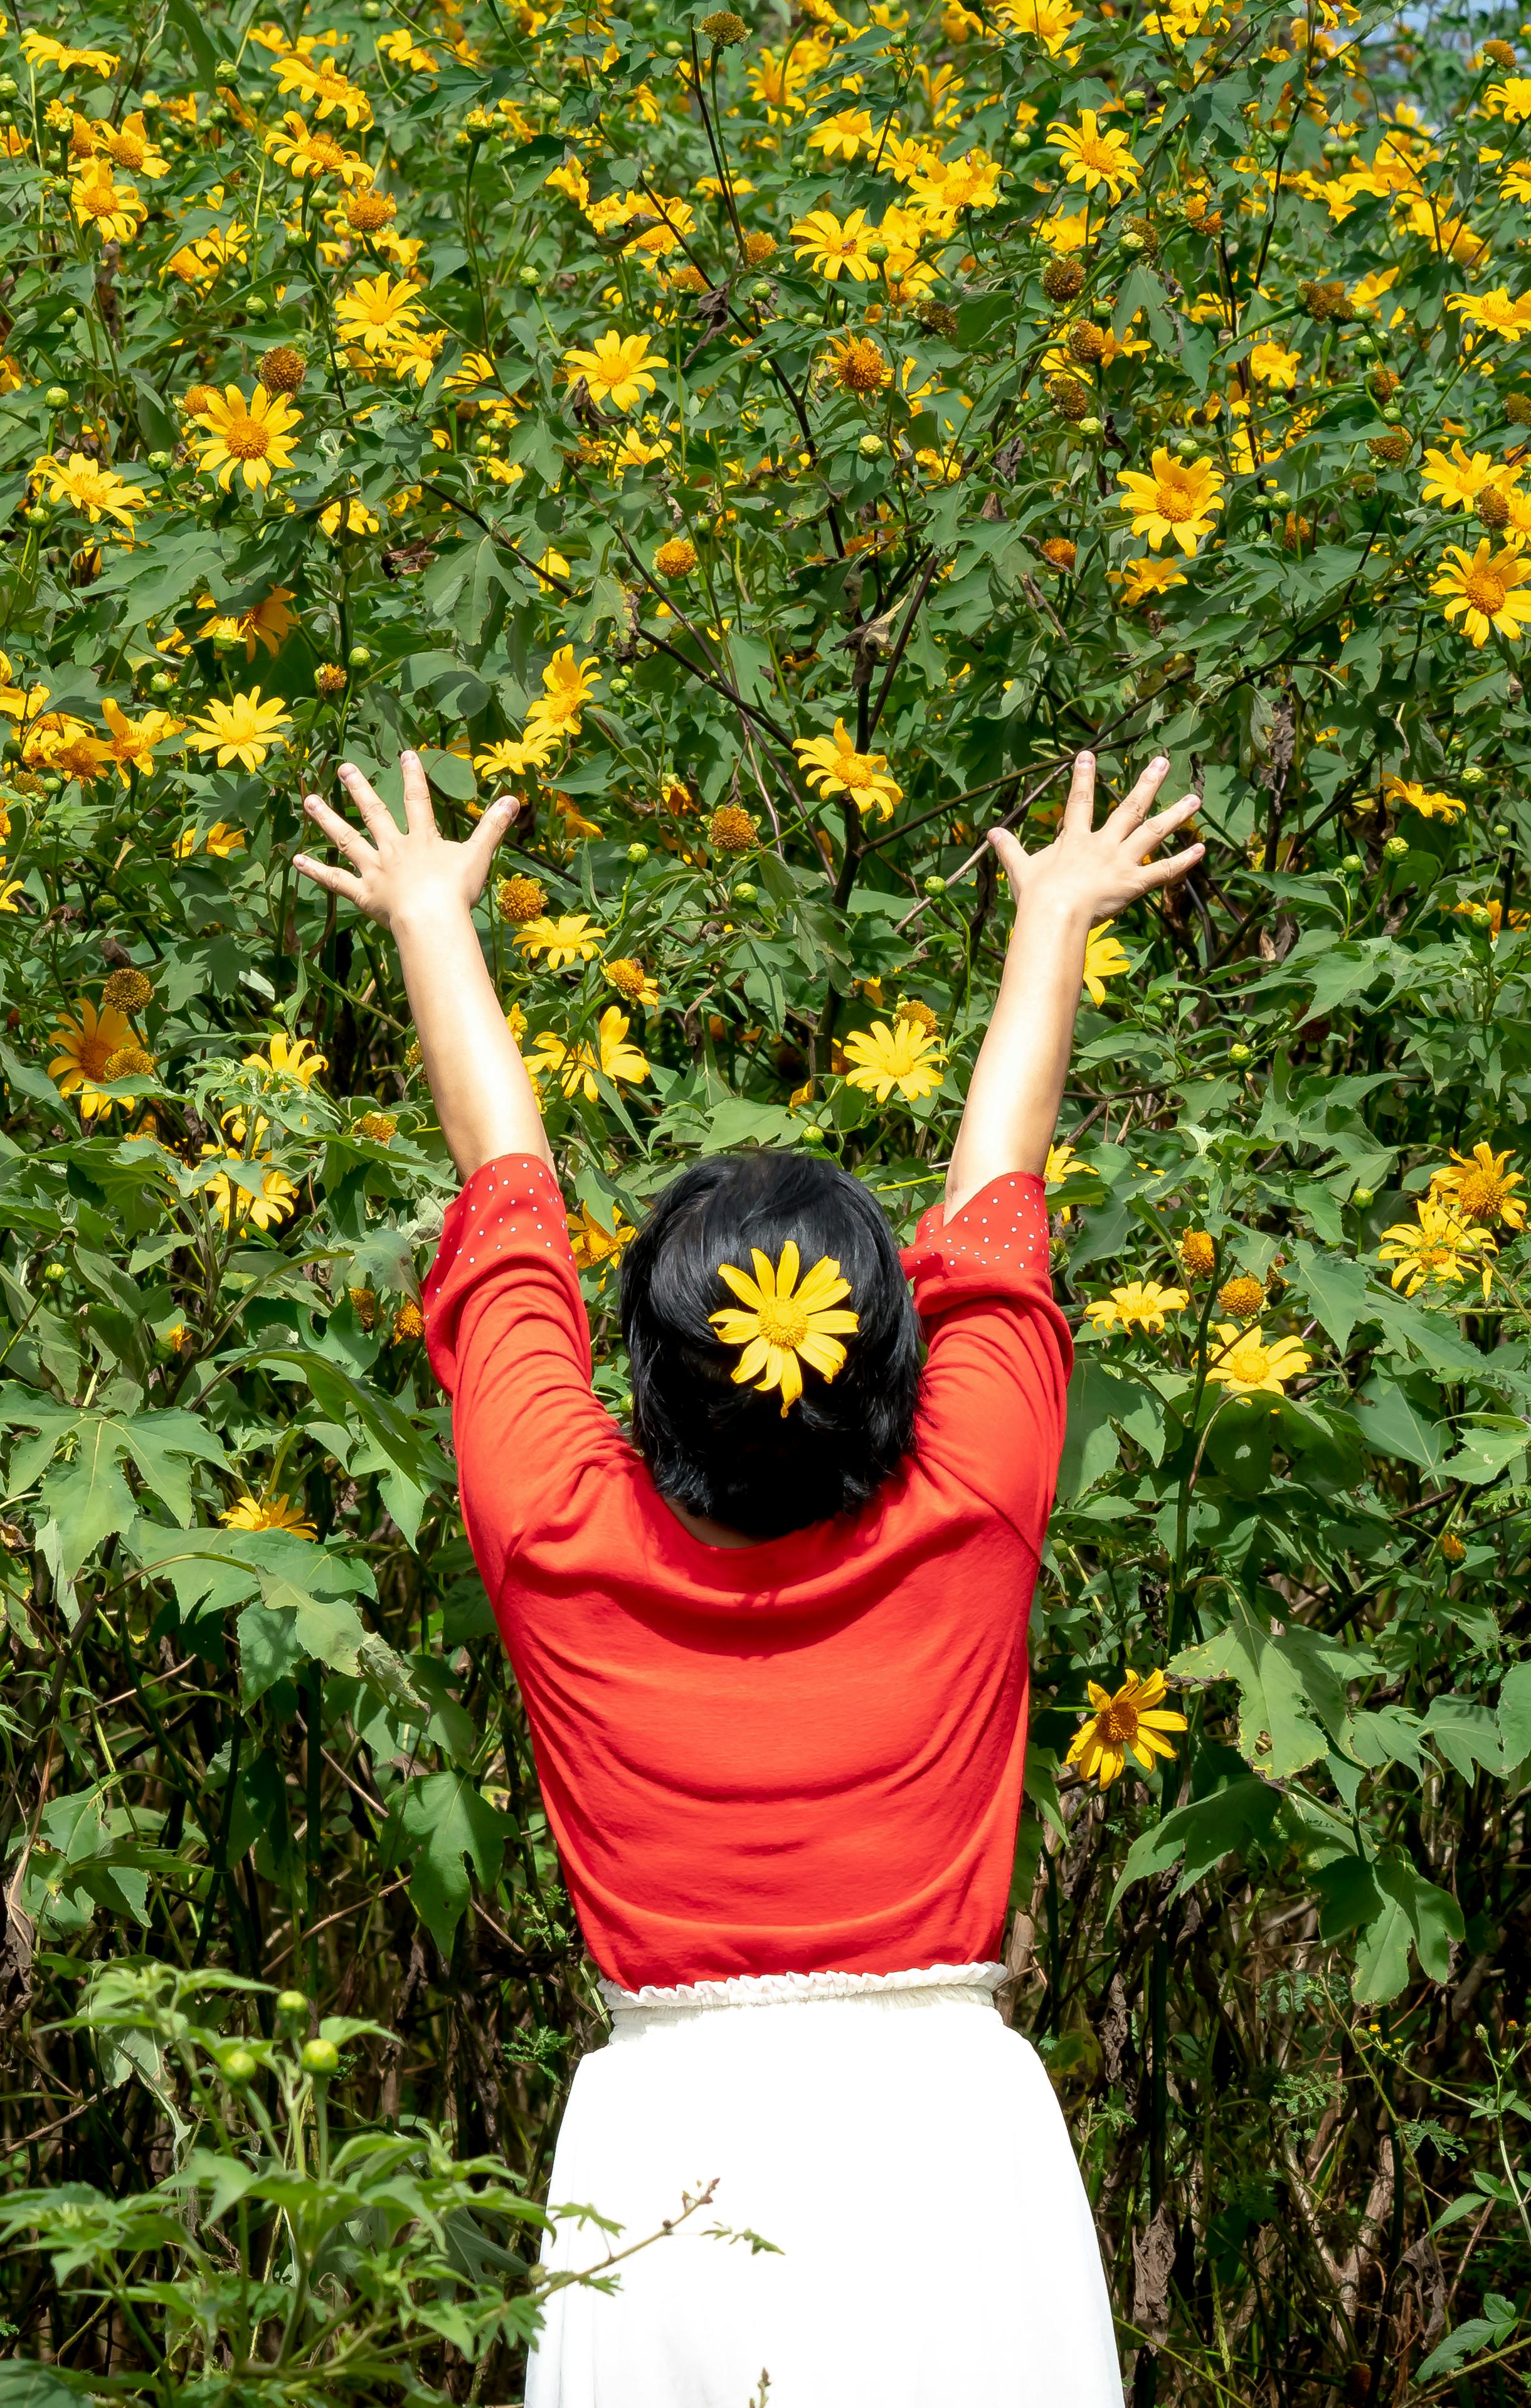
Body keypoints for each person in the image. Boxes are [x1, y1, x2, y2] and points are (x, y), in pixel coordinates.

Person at [290, 745, 1202, 2408]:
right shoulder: (973, 1502)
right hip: (945, 2144)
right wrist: (1051, 913)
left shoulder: (558, 1534)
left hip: (671, 2155)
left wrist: (428, 912)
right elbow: (1000, 1192)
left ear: (644, 1370)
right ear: (890, 1361)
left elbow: (503, 1189)